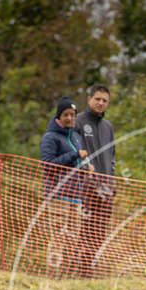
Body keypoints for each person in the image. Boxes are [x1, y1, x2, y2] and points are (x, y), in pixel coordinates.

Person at [40, 97, 92, 276]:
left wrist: (86, 168)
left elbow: (76, 163)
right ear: (59, 116)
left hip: (75, 196)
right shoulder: (50, 137)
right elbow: (48, 165)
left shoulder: (76, 137)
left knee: (72, 239)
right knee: (58, 237)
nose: (69, 118)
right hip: (58, 195)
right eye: (66, 115)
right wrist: (75, 155)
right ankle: (52, 276)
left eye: (72, 115)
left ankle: (67, 278)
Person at [74, 85, 116, 277]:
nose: (101, 103)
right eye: (97, 99)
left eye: (104, 100)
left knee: (99, 233)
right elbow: (73, 152)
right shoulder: (78, 122)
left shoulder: (108, 127)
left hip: (106, 191)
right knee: (82, 230)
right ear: (89, 99)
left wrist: (112, 184)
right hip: (85, 188)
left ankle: (89, 271)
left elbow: (112, 158)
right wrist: (86, 173)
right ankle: (74, 271)